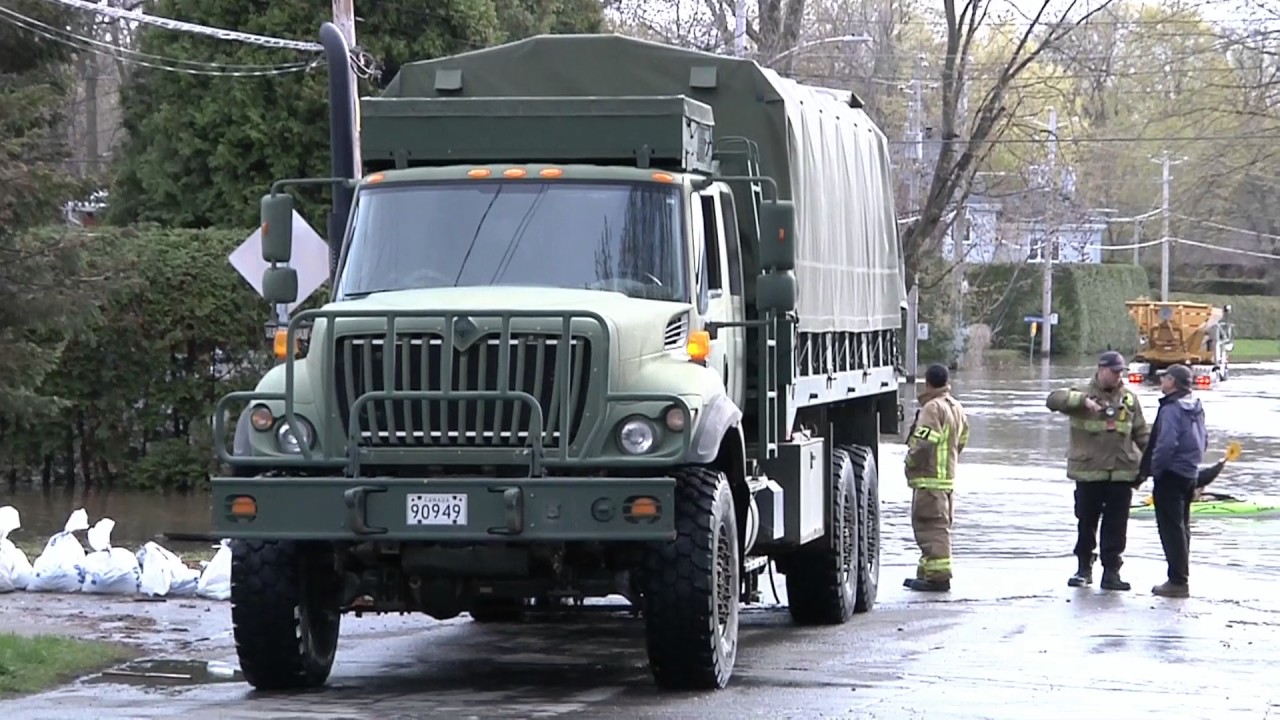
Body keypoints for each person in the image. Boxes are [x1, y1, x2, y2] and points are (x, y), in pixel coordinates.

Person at [1046, 350, 1150, 591]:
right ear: (1101, 370)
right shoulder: (1080, 395)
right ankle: (1084, 569)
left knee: (1116, 526)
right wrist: (1083, 402)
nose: (1117, 377)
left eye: (1120, 372)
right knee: (1086, 523)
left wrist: (1154, 462)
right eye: (1114, 372)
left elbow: (1142, 434)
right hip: (1089, 473)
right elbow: (1052, 400)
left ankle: (1111, 572)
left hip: (1122, 474)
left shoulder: (1129, 400)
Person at [1137, 364, 1207, 598]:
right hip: (1189, 473)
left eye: (1165, 377)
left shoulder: (1171, 409)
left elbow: (1165, 444)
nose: (1161, 380)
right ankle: (1180, 576)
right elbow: (1203, 440)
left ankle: (1177, 581)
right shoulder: (1196, 407)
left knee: (1170, 529)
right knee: (1182, 527)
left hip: (1170, 475)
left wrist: (1156, 470)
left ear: (1173, 383)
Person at [903, 364, 969, 592]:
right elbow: (962, 440)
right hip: (946, 482)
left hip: (929, 481)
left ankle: (938, 578)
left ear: (927, 382)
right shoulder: (956, 406)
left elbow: (924, 441)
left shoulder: (932, 408)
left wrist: (910, 462)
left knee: (931, 528)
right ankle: (926, 573)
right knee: (935, 527)